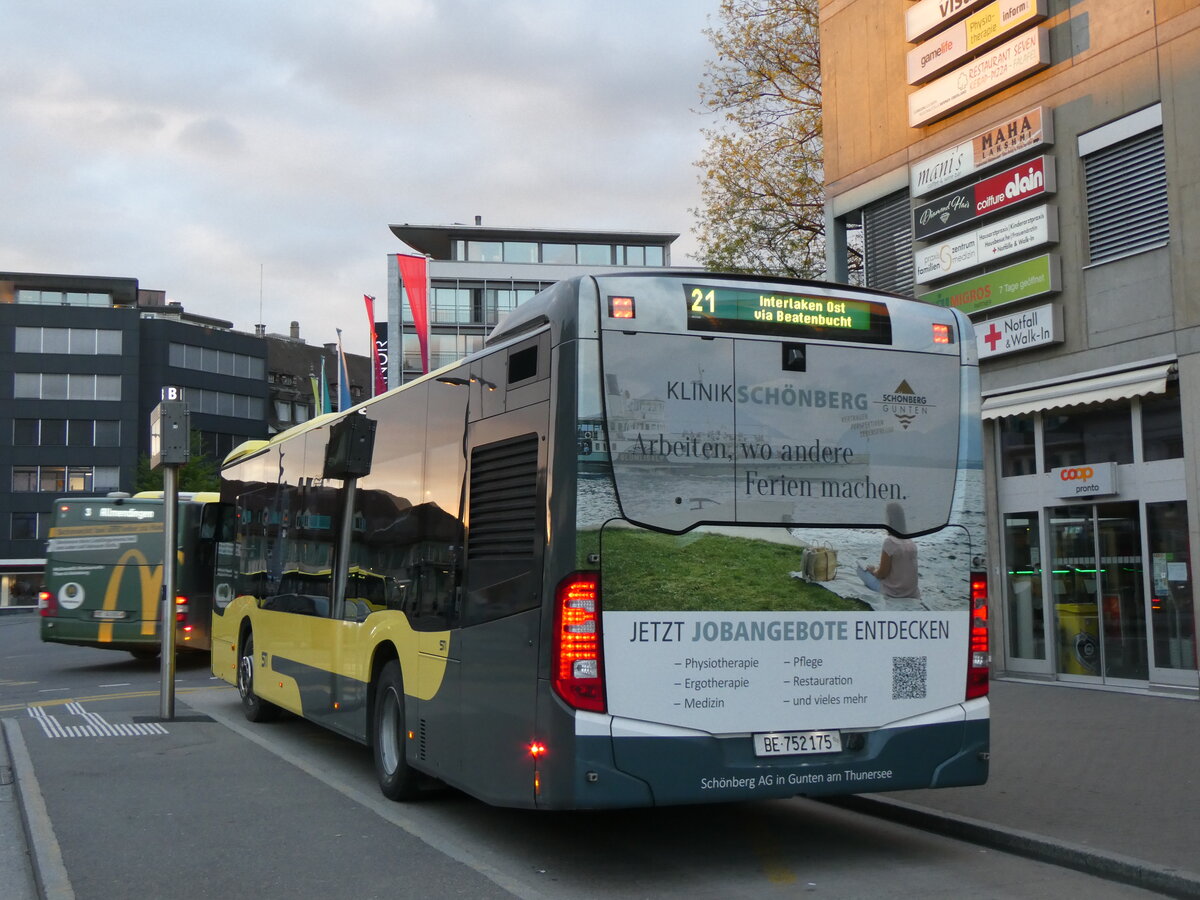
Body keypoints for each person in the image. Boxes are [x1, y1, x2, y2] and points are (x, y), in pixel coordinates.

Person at [857, 503, 921, 599]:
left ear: (889, 519)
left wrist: (873, 570)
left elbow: (882, 574)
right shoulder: (910, 541)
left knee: (860, 570)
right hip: (912, 593)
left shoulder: (890, 542)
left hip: (893, 593)